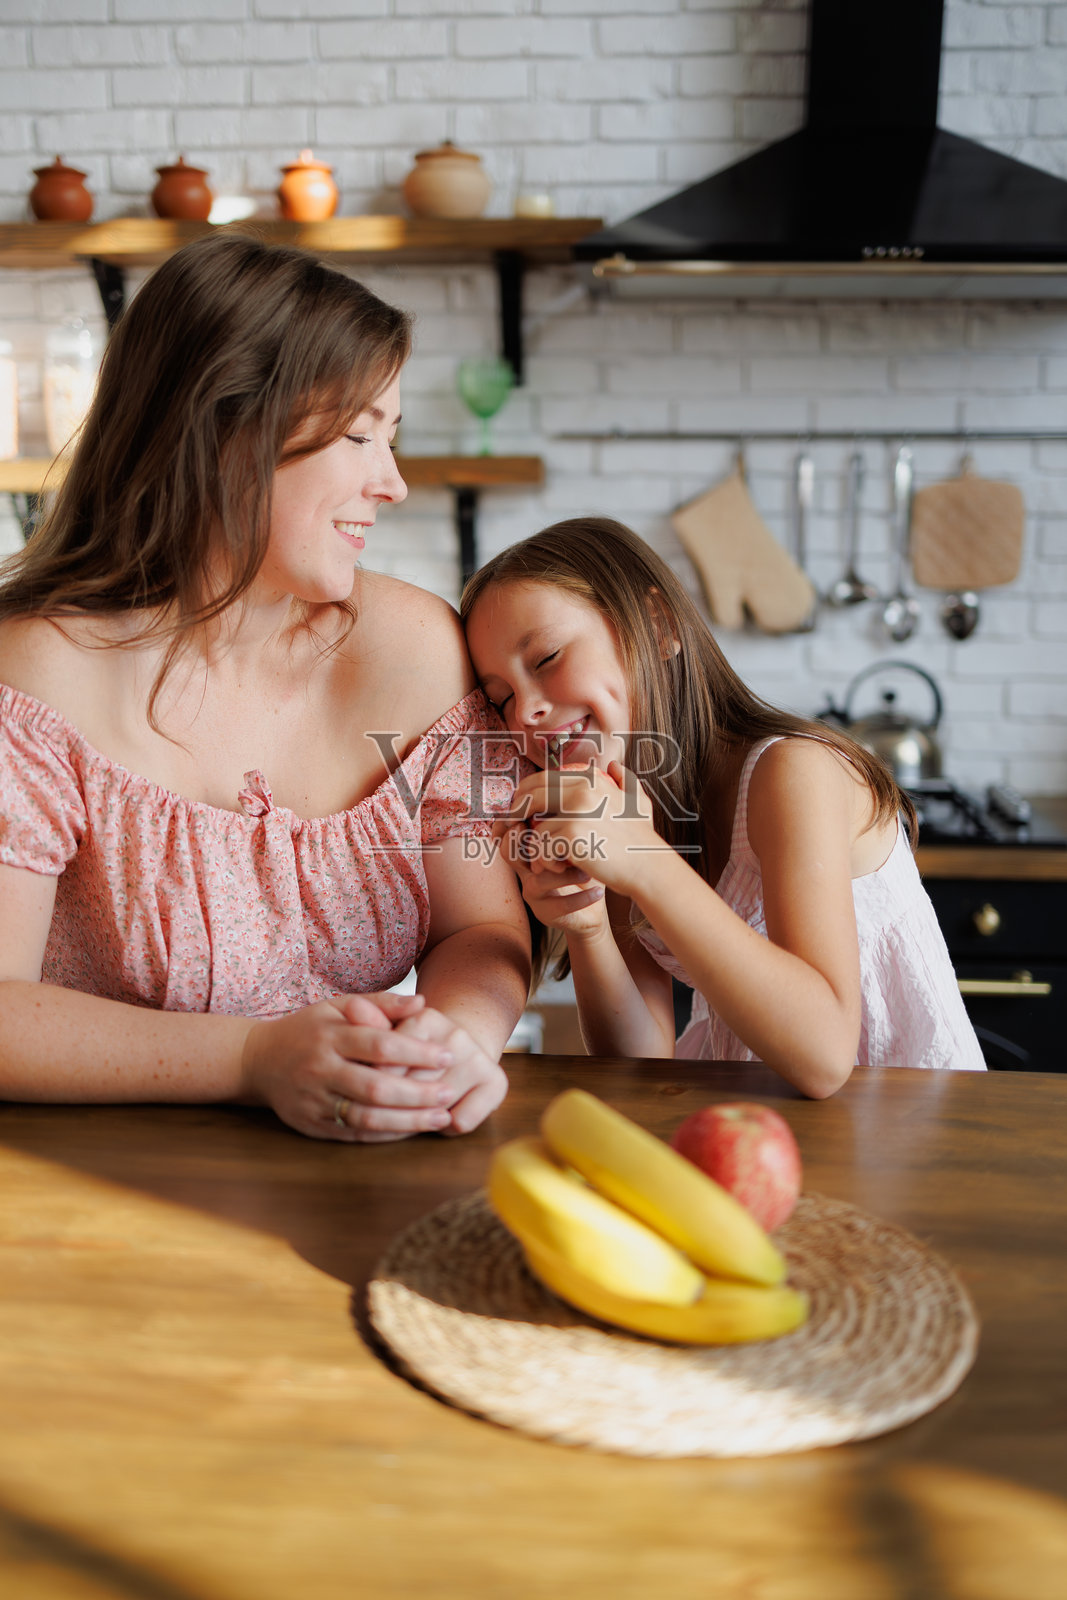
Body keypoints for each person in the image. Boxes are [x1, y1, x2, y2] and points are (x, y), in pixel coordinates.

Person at [0, 232, 530, 1142]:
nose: (393, 482)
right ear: (223, 434)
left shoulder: (419, 650)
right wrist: (252, 1059)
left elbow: (480, 930)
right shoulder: (37, 675)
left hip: (368, 1167)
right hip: (95, 1184)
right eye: (358, 436)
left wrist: (454, 1043)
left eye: (391, 437)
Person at [461, 517, 986, 1096]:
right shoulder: (629, 811)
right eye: (502, 699)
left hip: (913, 1124)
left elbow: (824, 1058)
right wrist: (587, 926)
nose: (525, 712)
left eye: (547, 658)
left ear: (658, 625)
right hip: (767, 1122)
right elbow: (641, 1058)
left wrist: (644, 861)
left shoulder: (792, 772)